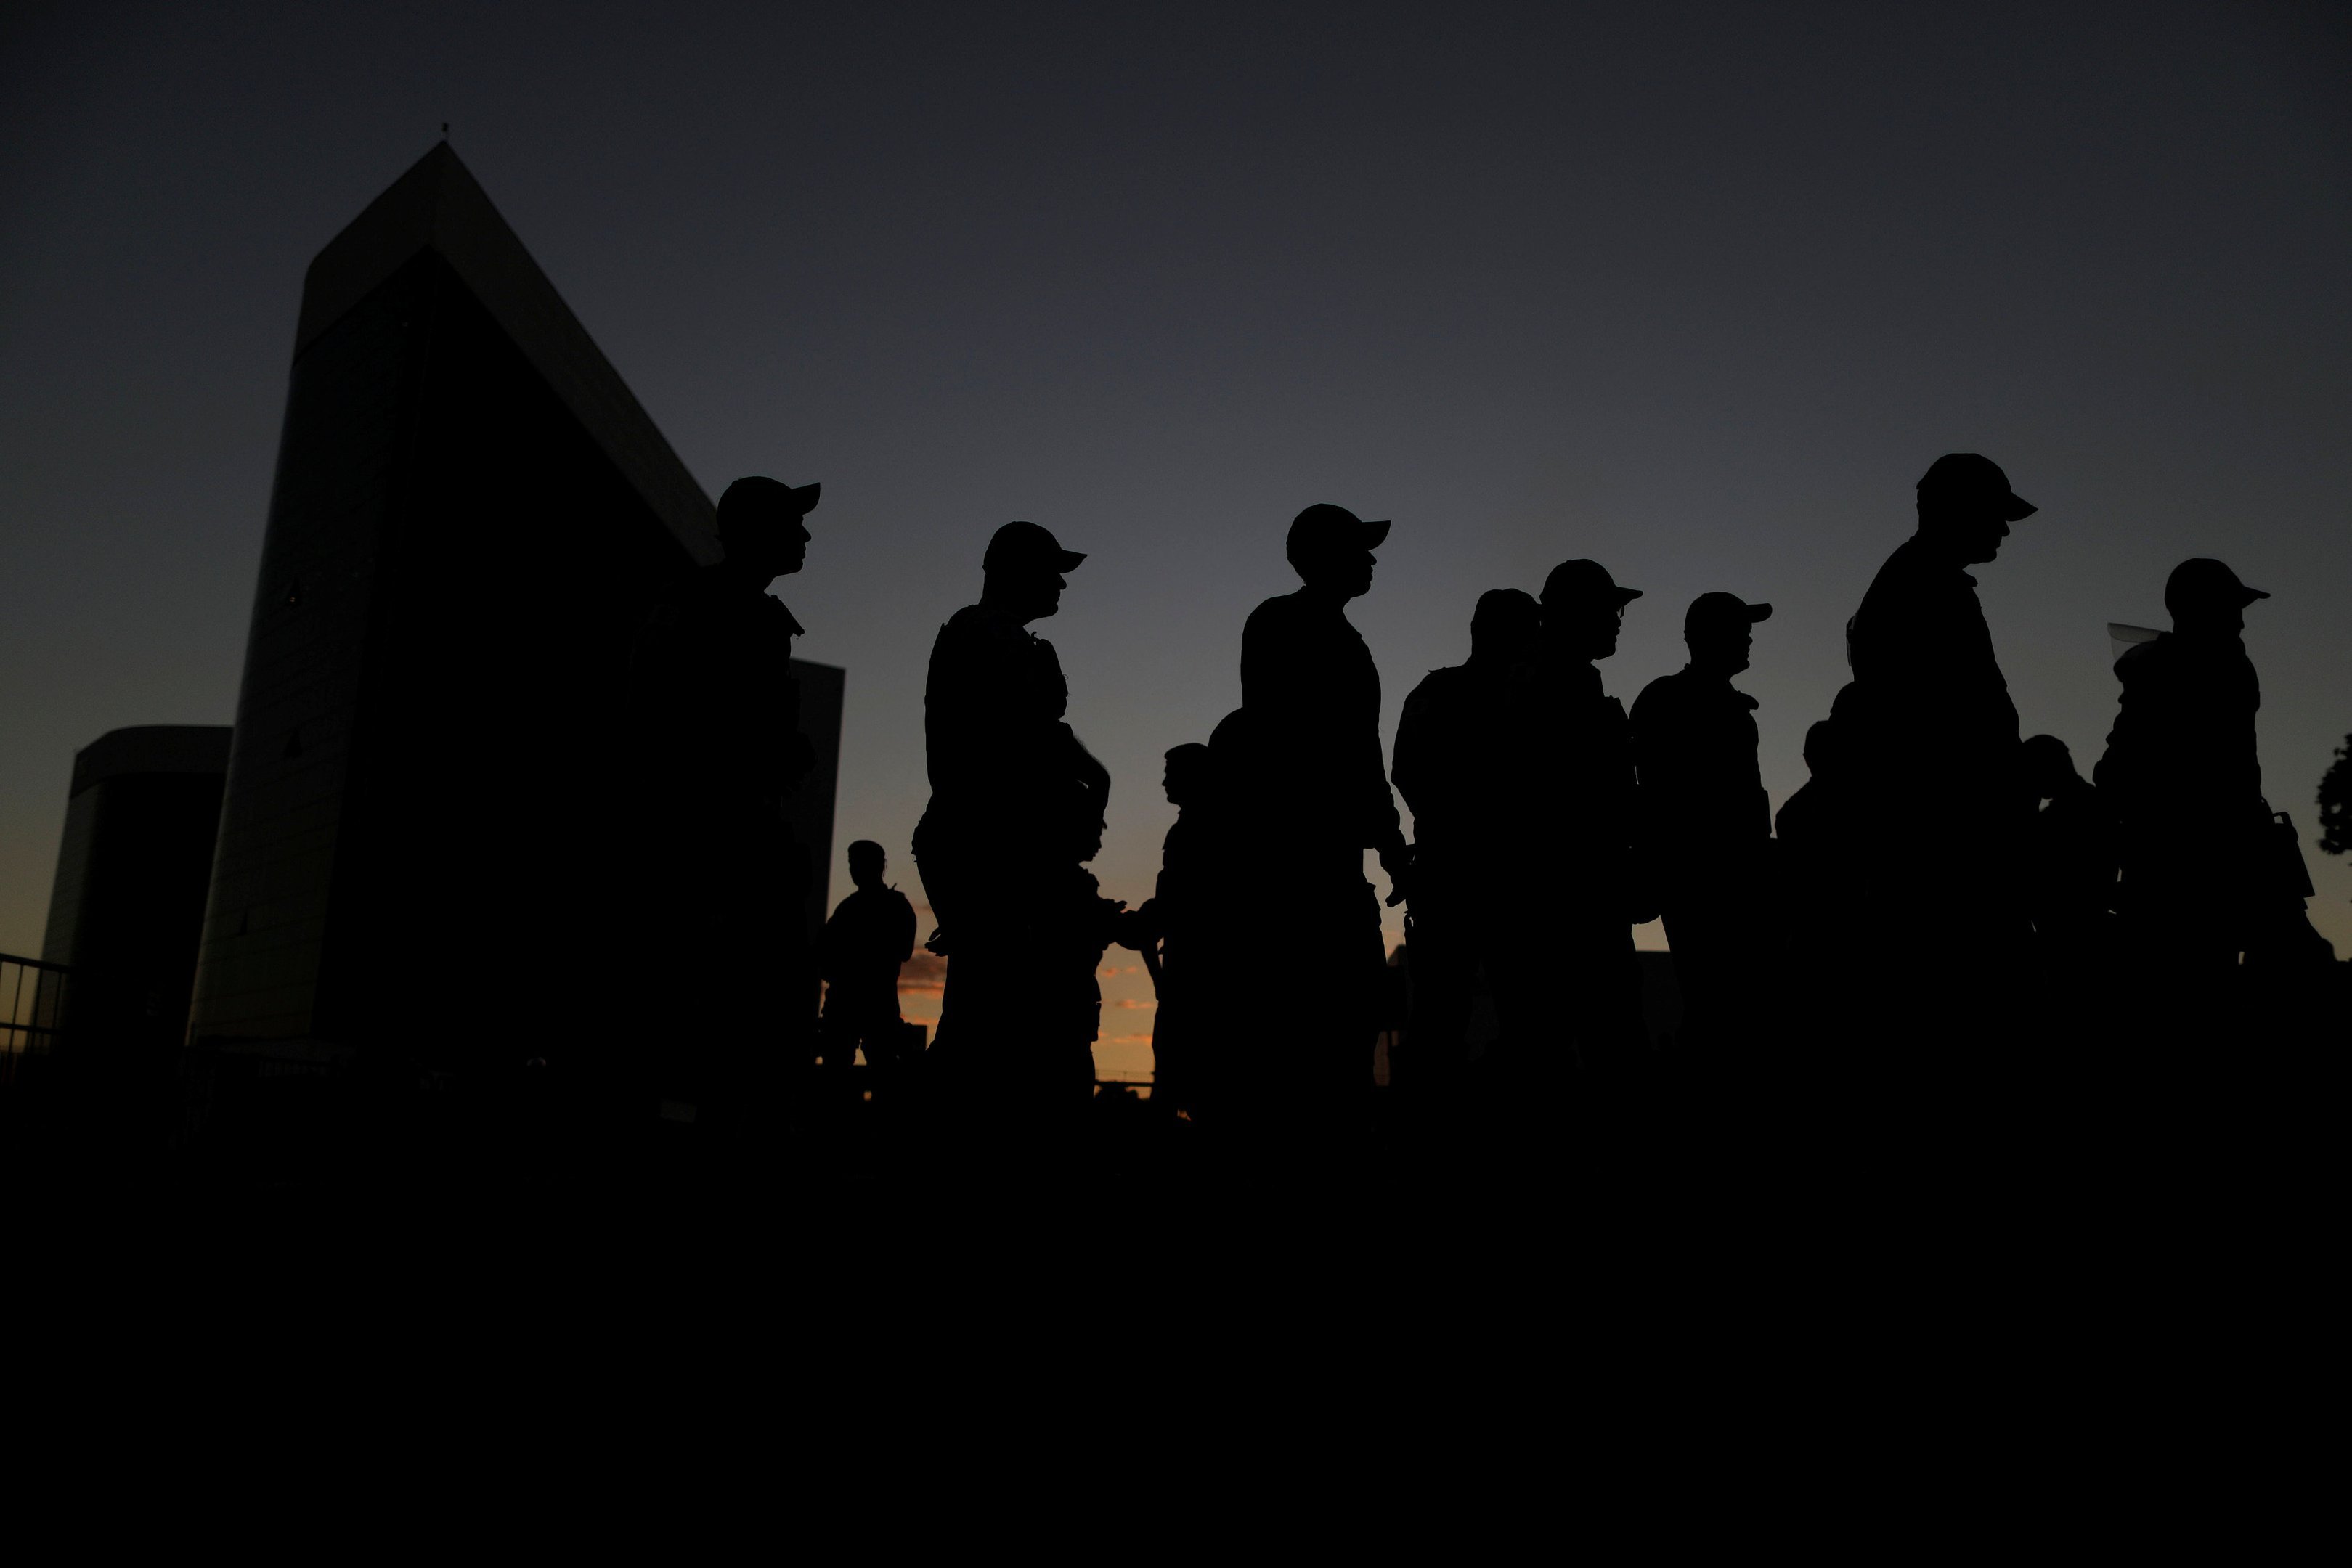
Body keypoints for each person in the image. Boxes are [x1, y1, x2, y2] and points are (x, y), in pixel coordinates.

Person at [627, 473, 822, 1134]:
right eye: (792, 523)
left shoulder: (761, 616)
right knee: (681, 982)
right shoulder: (694, 599)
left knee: (757, 989)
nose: (804, 535)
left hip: (739, 824)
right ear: (757, 531)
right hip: (695, 824)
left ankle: (730, 1124)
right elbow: (655, 702)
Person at [1839, 453, 2038, 1082]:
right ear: (1954, 511)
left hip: (1944, 844)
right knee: (1957, 1029)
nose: (2003, 531)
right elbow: (1944, 731)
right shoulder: (1924, 587)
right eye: (1994, 516)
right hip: (1948, 850)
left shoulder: (1921, 581)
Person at [911, 520, 1111, 1118]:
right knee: (990, 1009)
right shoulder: (988, 633)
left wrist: (1090, 786)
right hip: (986, 846)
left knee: (994, 1006)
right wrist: (1088, 791)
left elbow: (1044, 735)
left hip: (987, 844)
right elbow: (1024, 737)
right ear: (1014, 572)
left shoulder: (998, 636)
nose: (1059, 586)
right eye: (1050, 572)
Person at [1227, 503, 1412, 1137]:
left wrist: (1389, 846)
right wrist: (1388, 844)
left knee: (1342, 1025)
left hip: (1325, 863)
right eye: (1358, 549)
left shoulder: (1333, 637)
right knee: (1310, 1030)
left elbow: (1362, 758)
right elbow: (1331, 751)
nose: (1371, 560)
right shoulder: (1286, 624)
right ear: (1323, 557)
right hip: (1297, 866)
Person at [2096, 560, 2327, 1041]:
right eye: (2231, 609)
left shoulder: (2179, 668)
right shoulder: (2212, 668)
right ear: (2201, 610)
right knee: (2201, 998)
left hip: (2185, 863)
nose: (2241, 622)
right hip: (2200, 864)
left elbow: (2116, 772)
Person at [1391, 589, 1543, 1106]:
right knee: (1452, 1017)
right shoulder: (1507, 696)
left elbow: (1407, 773)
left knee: (1459, 1017)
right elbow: (1409, 774)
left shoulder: (1442, 691)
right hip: (1477, 877)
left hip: (1468, 875)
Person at [1630, 592, 1775, 1080]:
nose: (1748, 638)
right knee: (1717, 1007)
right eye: (1738, 629)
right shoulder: (1670, 701)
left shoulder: (1729, 707)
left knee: (1734, 1010)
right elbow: (1662, 799)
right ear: (1705, 638)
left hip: (1737, 880)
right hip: (1700, 882)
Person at [1526, 558, 1650, 1093]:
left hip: (1588, 898)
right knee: (1597, 1051)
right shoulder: (1545, 687)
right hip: (1570, 904)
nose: (1618, 620)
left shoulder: (1571, 682)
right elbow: (1568, 803)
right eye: (1608, 608)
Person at [1122, 743, 1224, 1118]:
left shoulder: (1192, 833)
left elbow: (1171, 907)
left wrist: (1137, 925)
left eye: (1172, 772)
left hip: (1192, 982)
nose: (1164, 780)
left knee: (1174, 1088)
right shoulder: (1204, 828)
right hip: (1192, 979)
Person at [818, 841, 919, 1087]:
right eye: (851, 864)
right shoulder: (853, 908)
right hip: (856, 1004)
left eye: (857, 863)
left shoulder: (882, 907)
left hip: (872, 1003)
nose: (853, 869)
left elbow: (902, 951)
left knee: (878, 1072)